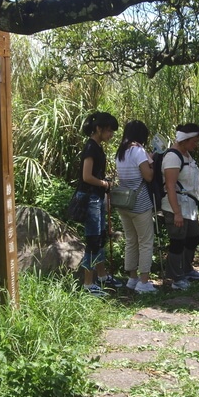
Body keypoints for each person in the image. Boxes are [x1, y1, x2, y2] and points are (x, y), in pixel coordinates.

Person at [162, 123, 199, 290]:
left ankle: (186, 269)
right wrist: (176, 212)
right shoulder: (172, 157)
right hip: (175, 206)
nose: (196, 144)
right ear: (184, 140)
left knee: (194, 237)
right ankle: (176, 278)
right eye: (195, 141)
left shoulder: (187, 155)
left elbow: (186, 179)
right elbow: (170, 185)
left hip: (189, 207)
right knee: (177, 241)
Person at [76, 112, 123, 296]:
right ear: (98, 129)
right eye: (109, 130)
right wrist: (105, 183)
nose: (111, 134)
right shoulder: (90, 148)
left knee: (101, 236)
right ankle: (88, 283)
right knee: (93, 240)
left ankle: (102, 276)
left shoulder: (97, 146)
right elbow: (86, 177)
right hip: (91, 198)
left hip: (97, 197)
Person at [115, 120, 157, 294]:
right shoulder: (138, 151)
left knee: (131, 241)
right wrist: (151, 162)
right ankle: (144, 282)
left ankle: (132, 279)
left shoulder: (120, 152)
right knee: (146, 242)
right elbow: (148, 176)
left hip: (123, 202)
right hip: (139, 203)